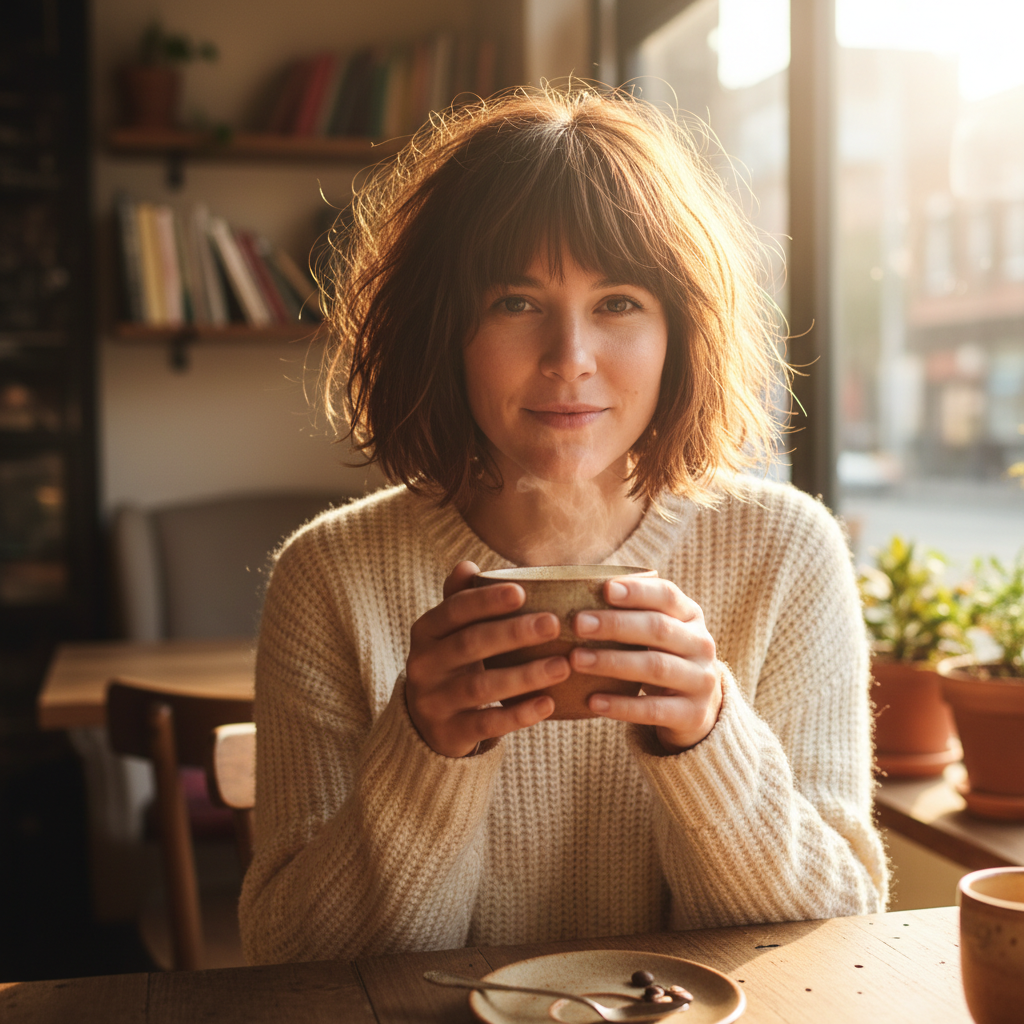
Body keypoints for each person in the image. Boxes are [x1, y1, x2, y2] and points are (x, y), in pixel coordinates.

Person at [238, 85, 888, 965]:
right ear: (444, 330)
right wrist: (423, 752)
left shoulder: (786, 552)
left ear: (680, 335)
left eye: (619, 302)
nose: (570, 360)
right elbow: (290, 964)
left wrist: (710, 742)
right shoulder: (330, 575)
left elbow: (842, 937)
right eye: (515, 302)